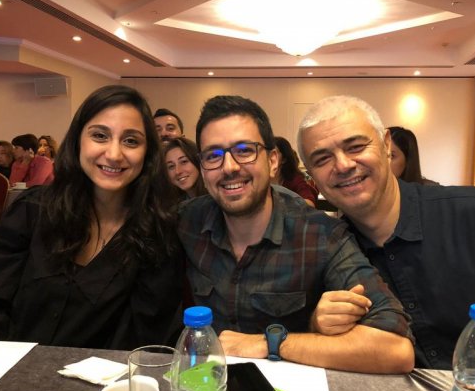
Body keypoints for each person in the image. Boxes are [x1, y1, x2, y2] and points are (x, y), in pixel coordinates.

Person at [297, 95, 475, 374]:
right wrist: (317, 325)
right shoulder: (329, 251)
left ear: (386, 145)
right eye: (322, 159)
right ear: (311, 176)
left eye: (355, 146)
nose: (343, 165)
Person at [177, 95, 413, 373]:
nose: (229, 167)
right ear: (202, 169)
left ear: (273, 161)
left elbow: (395, 348)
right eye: (213, 156)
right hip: (205, 384)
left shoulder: (320, 235)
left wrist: (270, 343)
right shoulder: (187, 221)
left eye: (244, 151)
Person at [0, 85, 182, 349]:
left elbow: (146, 337)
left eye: (131, 141)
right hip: (11, 368)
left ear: (148, 154)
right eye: (100, 136)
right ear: (77, 140)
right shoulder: (32, 210)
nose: (114, 154)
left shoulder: (157, 231)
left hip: (109, 375)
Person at [273, 136, 318, 206]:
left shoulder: (294, 180)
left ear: (284, 159)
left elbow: (310, 204)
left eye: (274, 153)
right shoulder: (260, 179)